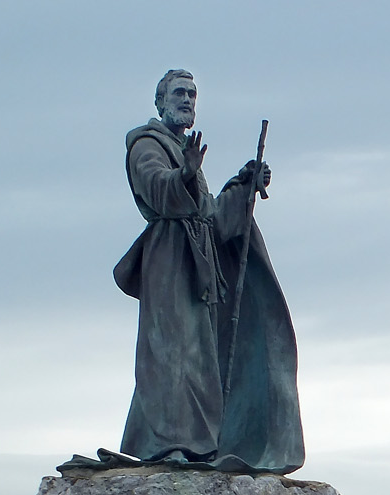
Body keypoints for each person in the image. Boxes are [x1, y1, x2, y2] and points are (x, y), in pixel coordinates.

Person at [112, 69, 303, 472]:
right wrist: (181, 173)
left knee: (199, 356)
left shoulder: (186, 150)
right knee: (173, 353)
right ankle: (172, 445)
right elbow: (157, 188)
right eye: (179, 93)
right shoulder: (146, 143)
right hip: (168, 259)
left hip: (198, 261)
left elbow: (210, 217)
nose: (187, 101)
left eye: (193, 96)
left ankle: (189, 444)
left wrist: (242, 186)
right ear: (160, 101)